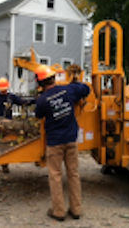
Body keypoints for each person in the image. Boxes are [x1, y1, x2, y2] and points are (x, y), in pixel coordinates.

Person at [34, 65, 90, 221]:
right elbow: (86, 89)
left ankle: (59, 212)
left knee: (55, 176)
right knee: (73, 174)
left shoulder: (42, 100)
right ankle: (76, 210)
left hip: (54, 143)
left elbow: (38, 115)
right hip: (71, 140)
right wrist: (76, 82)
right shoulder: (69, 90)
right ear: (53, 78)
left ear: (40, 83)